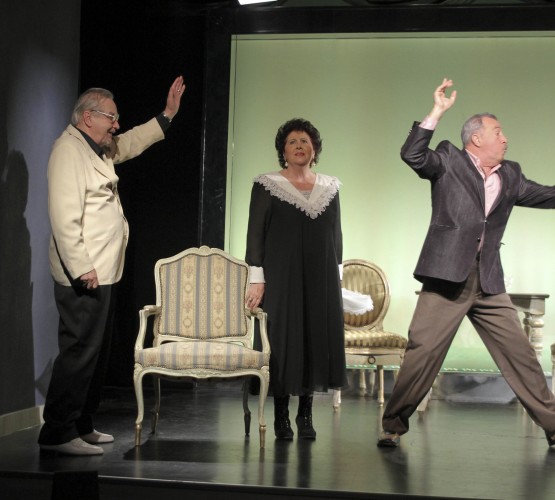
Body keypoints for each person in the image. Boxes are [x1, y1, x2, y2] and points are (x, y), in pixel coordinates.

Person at [377, 78, 555, 448]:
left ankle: (553, 426)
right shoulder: (449, 159)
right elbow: (413, 155)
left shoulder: (511, 174)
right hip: (446, 277)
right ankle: (393, 424)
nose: (505, 138)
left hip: (488, 281)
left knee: (521, 355)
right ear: (477, 138)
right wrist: (436, 112)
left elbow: (546, 195)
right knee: (423, 352)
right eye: (498, 132)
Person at [38, 76, 186, 456]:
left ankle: (81, 423)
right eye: (111, 117)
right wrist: (81, 267)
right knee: (79, 352)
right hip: (84, 273)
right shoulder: (68, 151)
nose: (117, 125)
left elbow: (132, 141)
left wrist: (167, 116)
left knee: (97, 353)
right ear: (88, 117)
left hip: (104, 270)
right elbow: (64, 217)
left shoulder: (97, 147)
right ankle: (57, 432)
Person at [245, 118, 347, 440]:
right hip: (281, 276)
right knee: (283, 341)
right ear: (283, 151)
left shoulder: (330, 187)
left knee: (313, 340)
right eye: (292, 142)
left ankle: (305, 414)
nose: (299, 146)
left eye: (305, 141)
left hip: (320, 278)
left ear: (314, 150)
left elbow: (336, 235)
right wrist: (256, 278)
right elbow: (255, 235)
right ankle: (281, 416)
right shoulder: (267, 185)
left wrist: (337, 279)